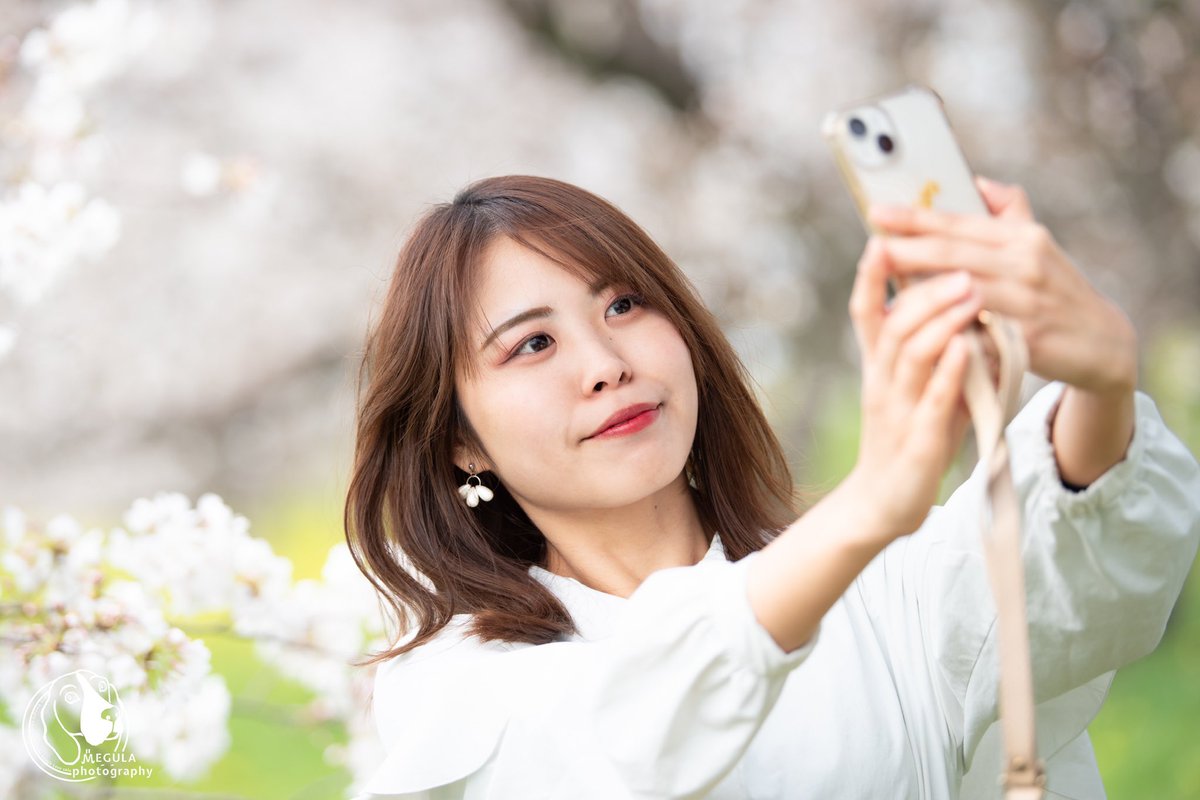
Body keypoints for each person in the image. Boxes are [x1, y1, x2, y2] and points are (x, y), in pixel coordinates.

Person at [343, 174, 1200, 799]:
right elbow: (618, 743)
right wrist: (869, 506)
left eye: (625, 306)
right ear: (460, 441)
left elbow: (1071, 569)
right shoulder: (454, 689)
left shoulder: (876, 588)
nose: (607, 366)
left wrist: (1102, 380)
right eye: (532, 345)